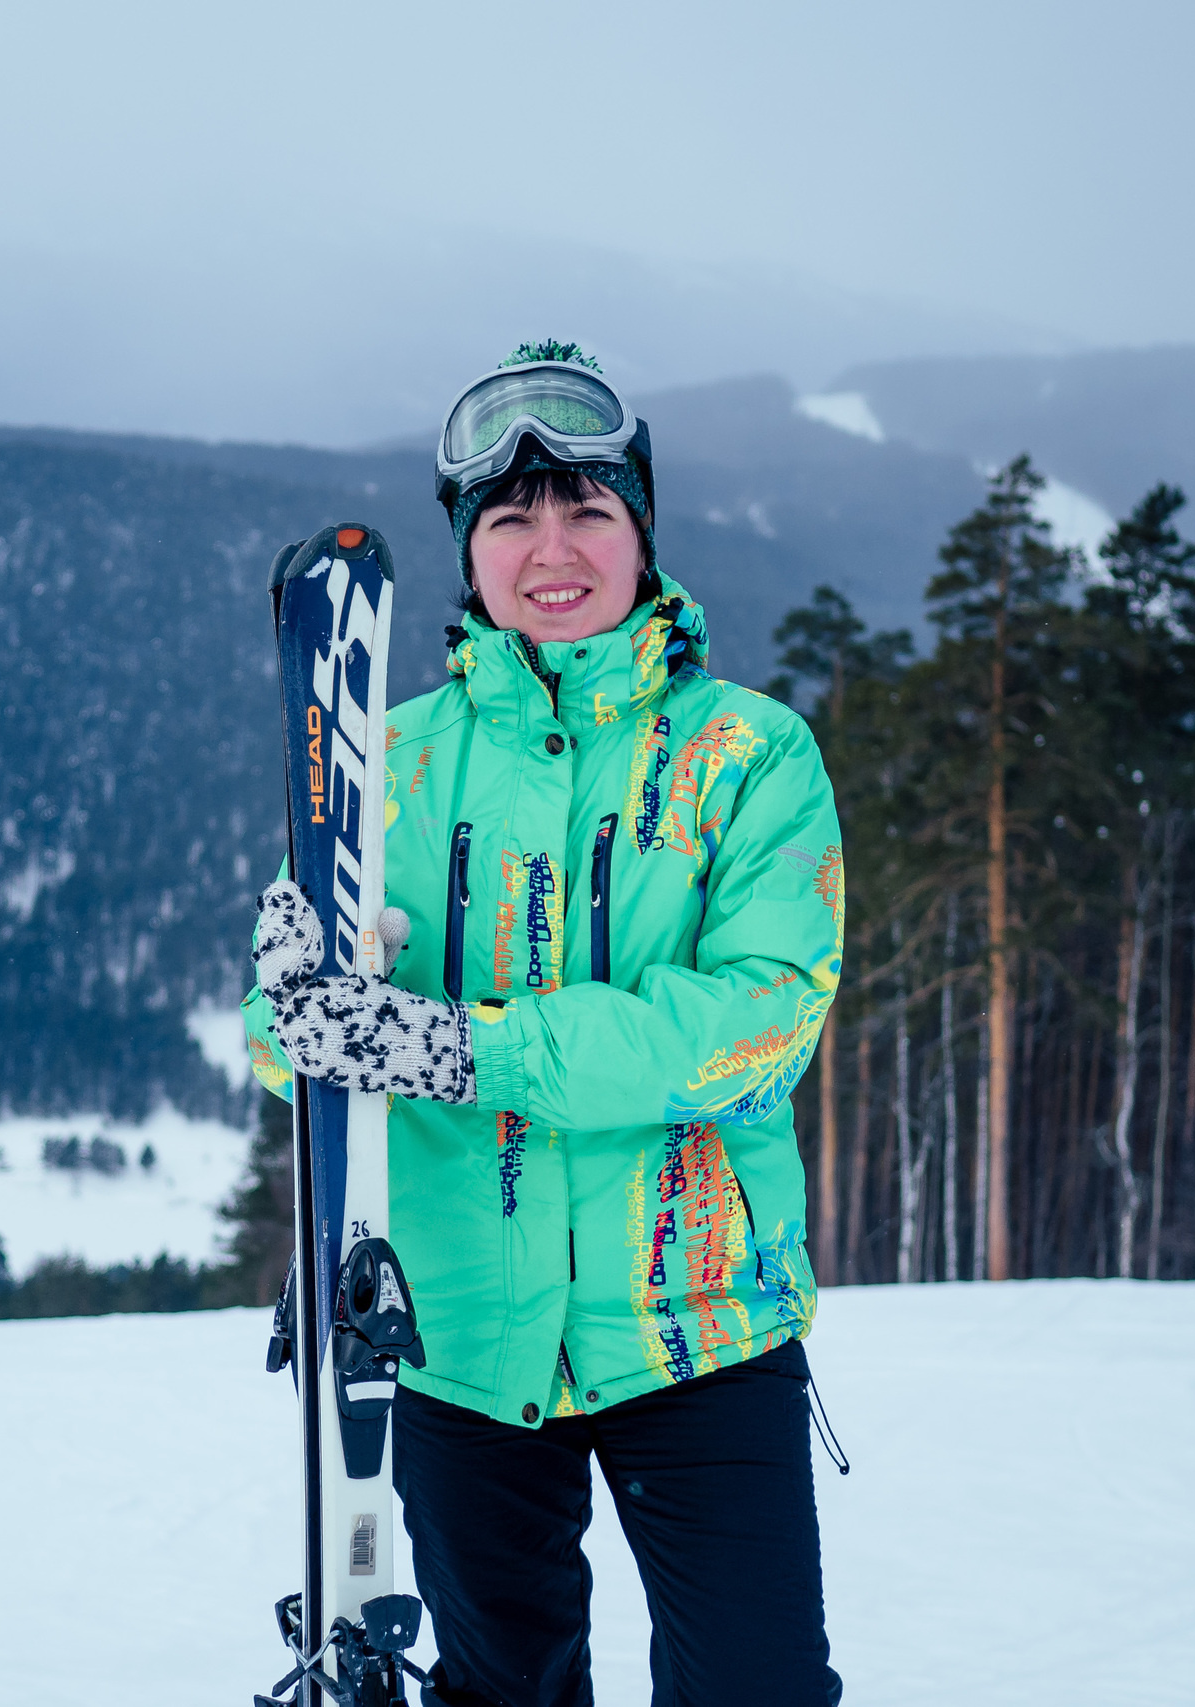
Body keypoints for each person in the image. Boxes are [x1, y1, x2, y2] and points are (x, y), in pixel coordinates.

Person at [241, 342, 845, 1706]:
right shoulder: (385, 771)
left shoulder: (746, 758)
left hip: (697, 1328)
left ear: (641, 532)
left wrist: (460, 1045)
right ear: (470, 553)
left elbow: (756, 1021)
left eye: (588, 508)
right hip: (458, 1337)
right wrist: (297, 1010)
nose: (550, 546)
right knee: (504, 1689)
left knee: (759, 1688)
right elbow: (289, 1051)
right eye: (511, 517)